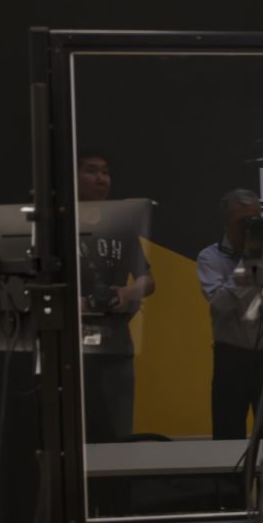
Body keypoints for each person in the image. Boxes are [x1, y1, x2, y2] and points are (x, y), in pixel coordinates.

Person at [77, 151, 155, 443]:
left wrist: (126, 292)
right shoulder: (58, 228)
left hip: (117, 344)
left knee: (119, 435)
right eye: (91, 171)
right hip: (73, 347)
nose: (101, 179)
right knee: (78, 431)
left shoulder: (121, 226)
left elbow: (148, 280)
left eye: (105, 172)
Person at [196, 189, 263, 440]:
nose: (251, 228)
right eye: (244, 222)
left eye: (256, 220)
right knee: (228, 434)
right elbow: (220, 305)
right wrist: (248, 262)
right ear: (225, 223)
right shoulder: (210, 257)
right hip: (231, 358)